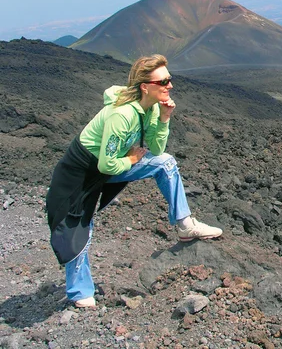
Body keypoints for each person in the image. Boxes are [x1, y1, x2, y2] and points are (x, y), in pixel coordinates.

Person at [45, 54, 222, 308]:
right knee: (77, 226)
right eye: (163, 81)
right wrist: (129, 161)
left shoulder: (149, 108)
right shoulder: (122, 115)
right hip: (80, 173)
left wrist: (164, 117)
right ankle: (79, 291)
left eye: (169, 79)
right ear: (145, 86)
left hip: (110, 164)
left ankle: (185, 225)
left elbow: (158, 149)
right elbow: (105, 164)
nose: (170, 85)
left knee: (166, 163)